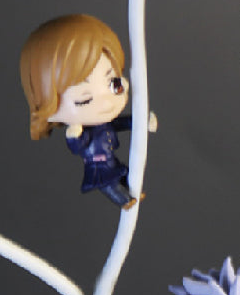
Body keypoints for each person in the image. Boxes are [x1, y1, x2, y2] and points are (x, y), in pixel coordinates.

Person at [20, 14, 156, 209]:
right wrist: (74, 136)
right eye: (84, 99)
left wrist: (142, 122)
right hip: (97, 165)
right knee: (108, 183)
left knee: (121, 173)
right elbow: (78, 146)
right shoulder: (84, 132)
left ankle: (129, 192)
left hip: (110, 160)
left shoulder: (106, 123)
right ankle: (124, 200)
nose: (106, 103)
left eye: (114, 84)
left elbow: (123, 122)